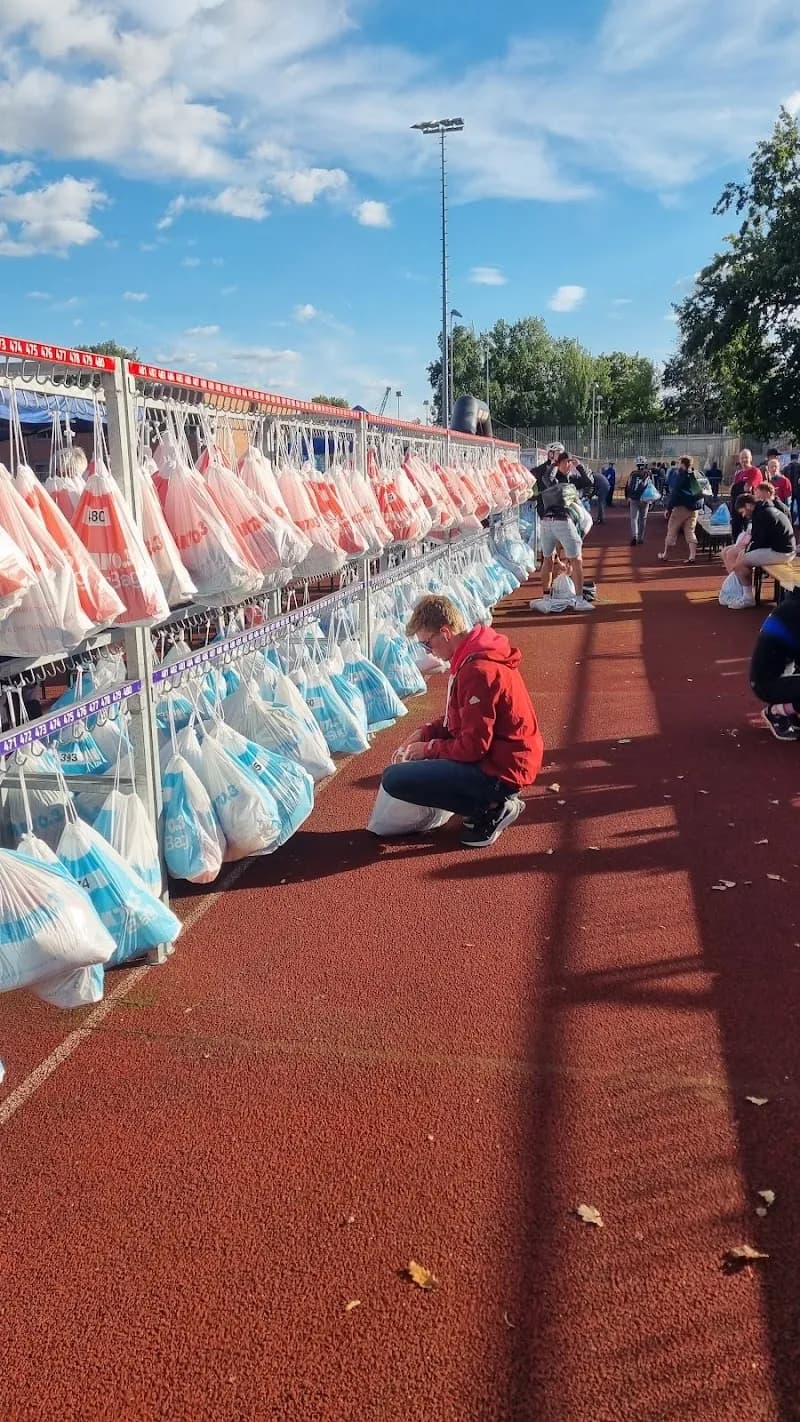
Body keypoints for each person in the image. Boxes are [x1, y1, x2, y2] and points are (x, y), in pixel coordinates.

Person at [381, 594, 544, 847]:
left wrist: (429, 749)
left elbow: (474, 746)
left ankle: (492, 806)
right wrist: (425, 732)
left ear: (445, 633)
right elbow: (458, 718)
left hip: (503, 769)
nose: (429, 652)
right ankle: (488, 801)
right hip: (507, 762)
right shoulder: (473, 657)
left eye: (428, 644)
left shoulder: (477, 670)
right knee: (412, 768)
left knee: (395, 779)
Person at [535, 451, 594, 609]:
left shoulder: (572, 480)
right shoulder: (554, 481)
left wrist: (579, 466)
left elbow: (588, 482)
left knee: (551, 558)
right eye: (566, 462)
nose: (568, 465)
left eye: (570, 462)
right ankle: (578, 599)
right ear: (560, 464)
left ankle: (548, 597)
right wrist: (554, 463)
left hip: (553, 522)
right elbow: (546, 478)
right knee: (575, 559)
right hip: (562, 521)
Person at [727, 483, 795, 608]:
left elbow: (759, 541)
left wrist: (745, 551)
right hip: (783, 550)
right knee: (742, 555)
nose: (743, 515)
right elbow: (760, 540)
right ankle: (744, 593)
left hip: (781, 553)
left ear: (748, 505)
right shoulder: (765, 509)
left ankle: (747, 598)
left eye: (742, 511)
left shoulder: (763, 514)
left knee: (740, 563)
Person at [750, 588, 800, 740]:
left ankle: (790, 707)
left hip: (781, 673)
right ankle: (777, 711)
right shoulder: (794, 613)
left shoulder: (791, 605)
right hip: (769, 683)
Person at [658, 456, 703, 564]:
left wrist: (668, 508)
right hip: (694, 509)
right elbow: (700, 492)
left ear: (682, 464)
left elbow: (675, 494)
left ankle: (665, 554)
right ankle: (692, 556)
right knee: (690, 531)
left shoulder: (680, 476)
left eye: (679, 463)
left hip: (680, 508)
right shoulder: (695, 475)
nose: (678, 465)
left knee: (672, 530)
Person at [730, 448, 764, 540]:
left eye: (746, 457)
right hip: (737, 508)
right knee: (736, 532)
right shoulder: (738, 474)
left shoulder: (755, 471)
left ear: (751, 458)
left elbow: (747, 489)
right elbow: (733, 489)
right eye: (742, 458)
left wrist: (737, 488)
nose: (744, 460)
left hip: (749, 508)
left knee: (748, 533)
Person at [625, 457, 651, 546]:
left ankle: (634, 536)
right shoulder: (648, 474)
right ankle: (641, 538)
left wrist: (627, 496)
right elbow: (652, 487)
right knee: (643, 518)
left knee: (633, 518)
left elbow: (628, 485)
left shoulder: (633, 473)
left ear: (637, 464)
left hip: (634, 498)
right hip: (645, 499)